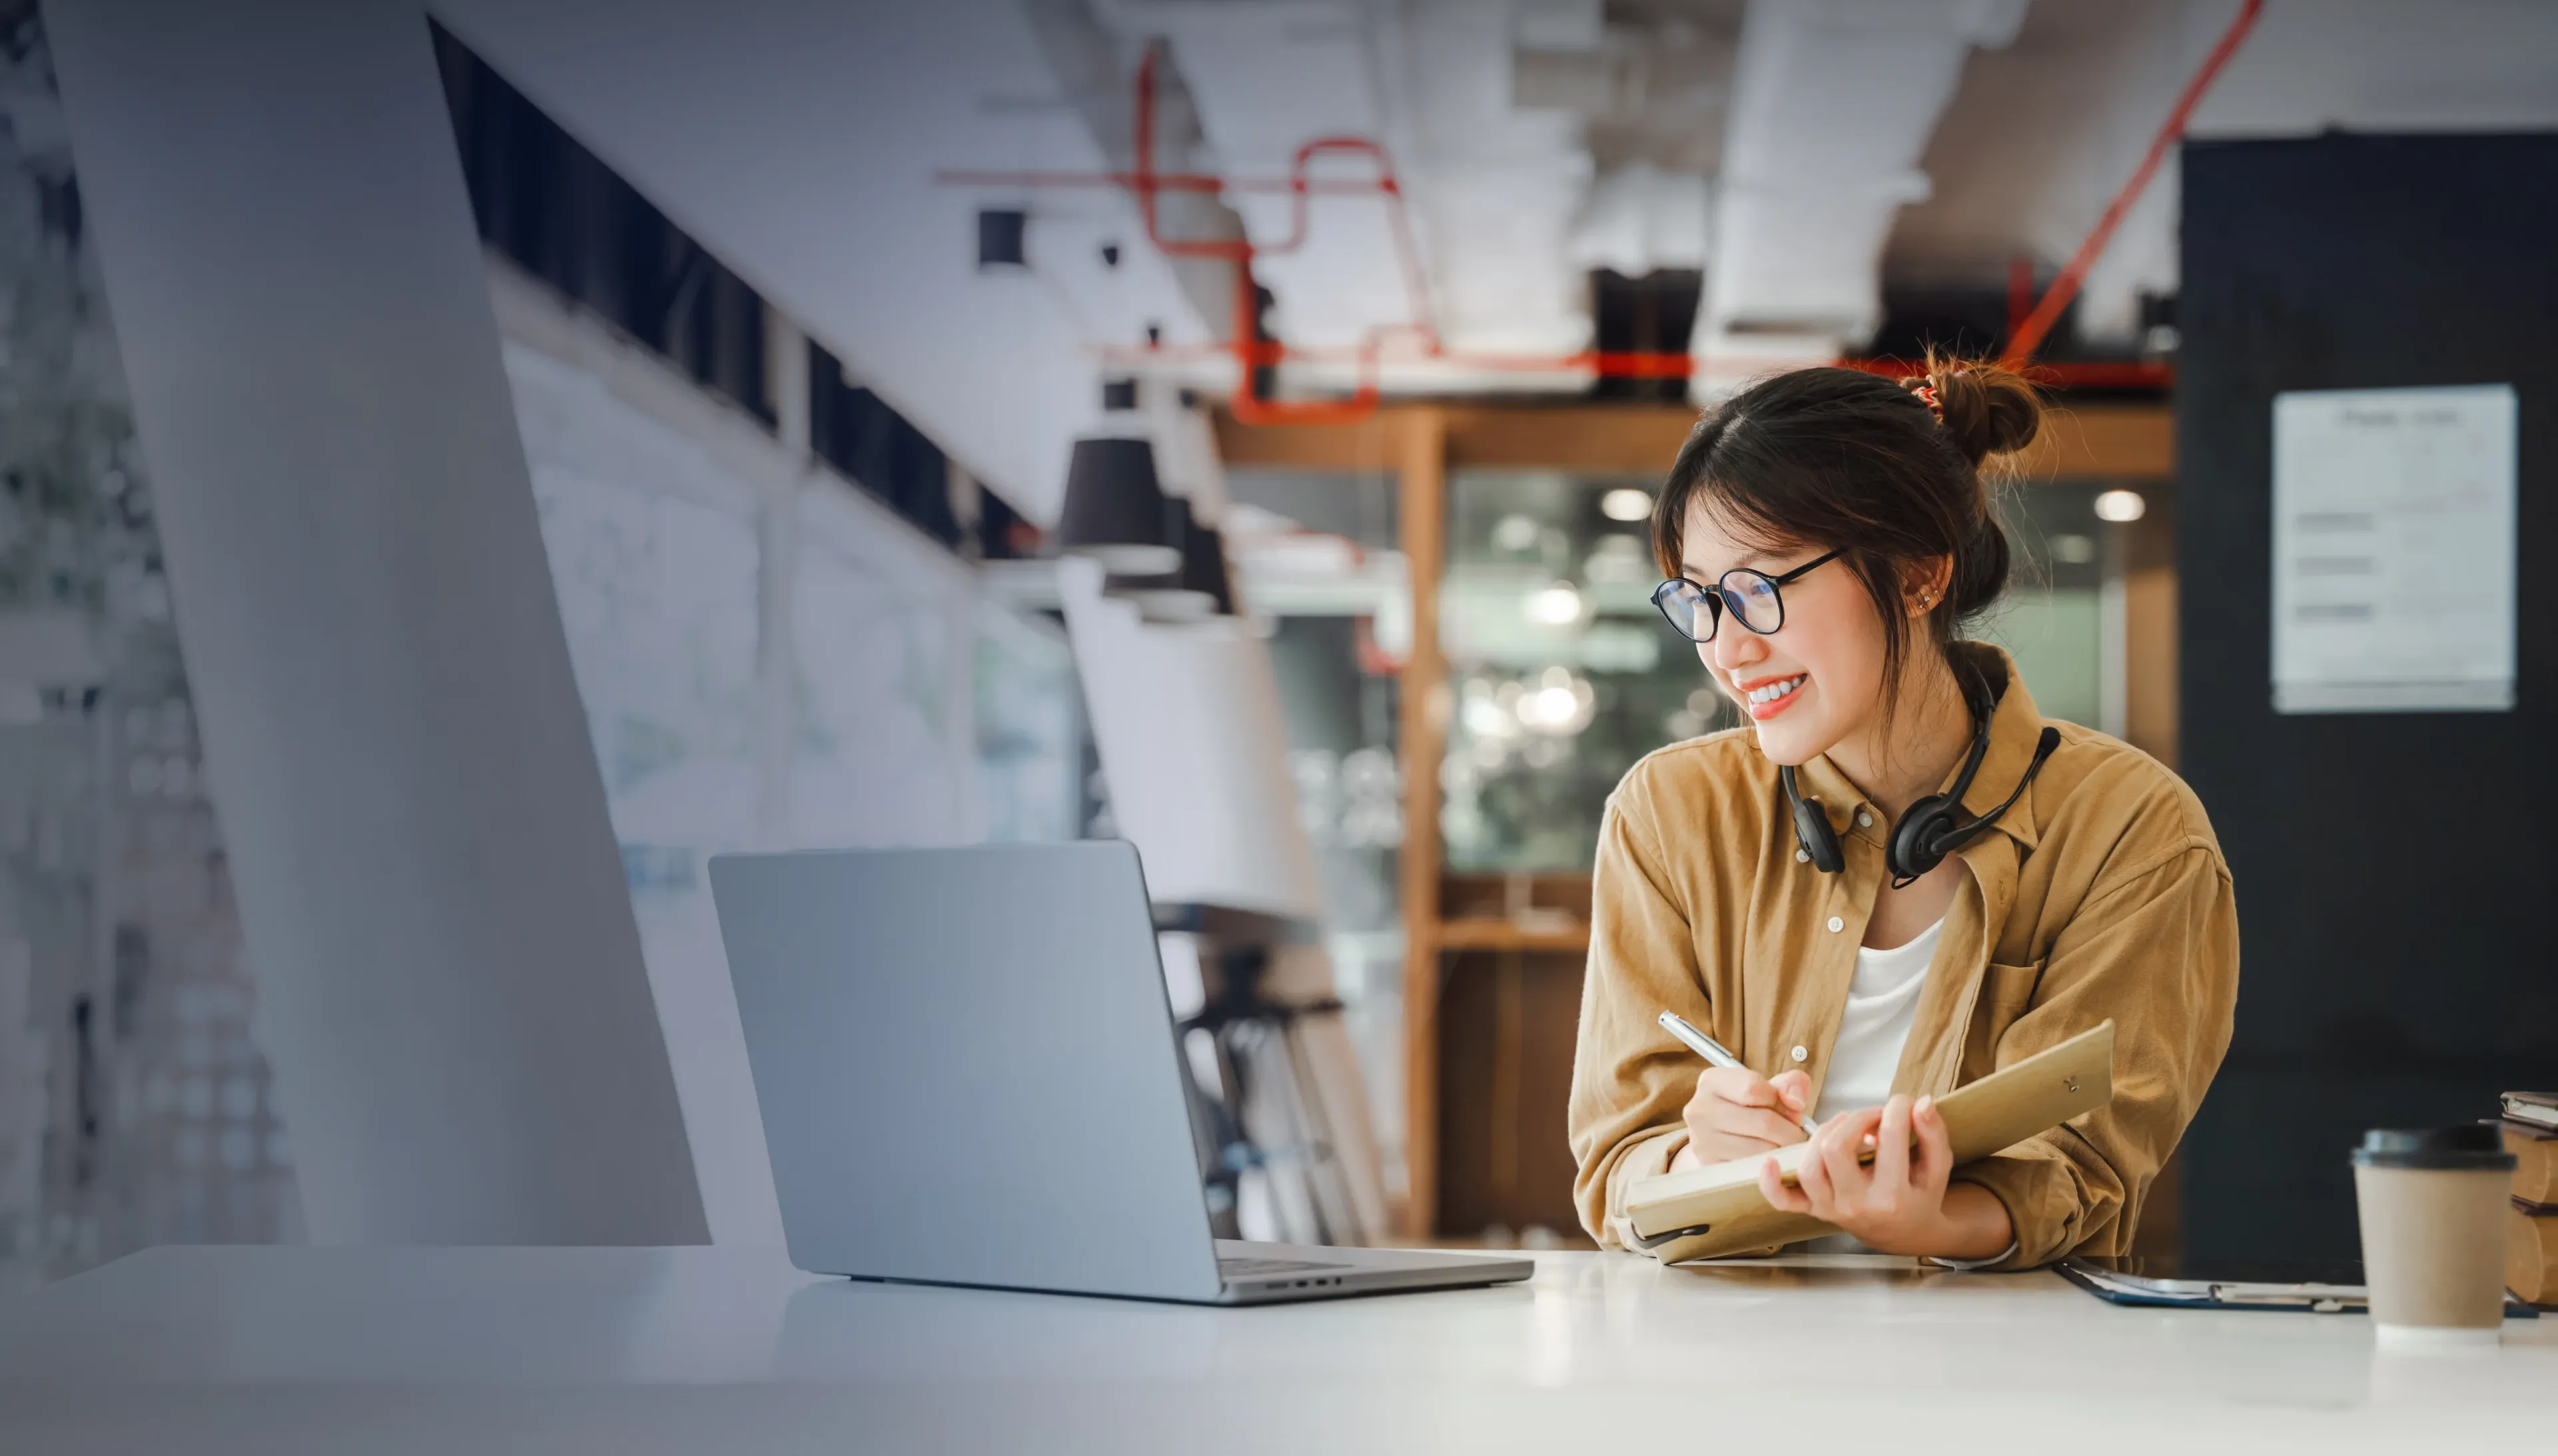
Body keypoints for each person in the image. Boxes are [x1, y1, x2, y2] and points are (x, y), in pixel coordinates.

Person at [1567, 358, 2238, 1268]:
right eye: (1701, 599)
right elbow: (1618, 1168)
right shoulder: (1669, 815)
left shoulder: (2131, 829)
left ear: (1920, 577)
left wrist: (1923, 1224)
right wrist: (1695, 1153)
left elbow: (2080, 1171)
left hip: (1997, 1369)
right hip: (1721, 1370)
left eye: (1764, 588)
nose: (1728, 648)